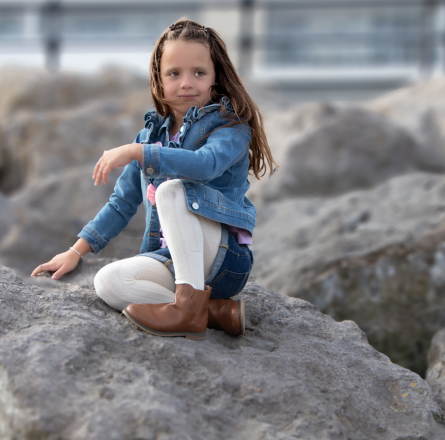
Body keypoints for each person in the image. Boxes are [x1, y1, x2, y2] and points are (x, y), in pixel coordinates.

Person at [31, 18, 277, 340]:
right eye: (174, 73)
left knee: (172, 190)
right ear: (159, 81)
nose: (186, 83)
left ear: (215, 79)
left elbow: (205, 165)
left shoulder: (229, 127)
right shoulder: (151, 136)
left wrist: (139, 153)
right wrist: (75, 252)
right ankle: (212, 312)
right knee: (108, 282)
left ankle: (188, 310)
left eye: (199, 73)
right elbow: (122, 204)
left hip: (222, 259)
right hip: (173, 262)